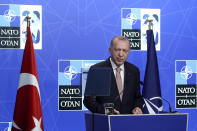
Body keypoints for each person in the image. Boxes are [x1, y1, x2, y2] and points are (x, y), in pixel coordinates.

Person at [83, 36, 144, 114]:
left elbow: (137, 97)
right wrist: (104, 111)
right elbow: (88, 101)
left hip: (129, 122)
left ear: (128, 52)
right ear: (110, 50)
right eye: (117, 50)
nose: (121, 54)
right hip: (106, 122)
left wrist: (137, 107)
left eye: (124, 50)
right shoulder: (98, 70)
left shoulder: (133, 70)